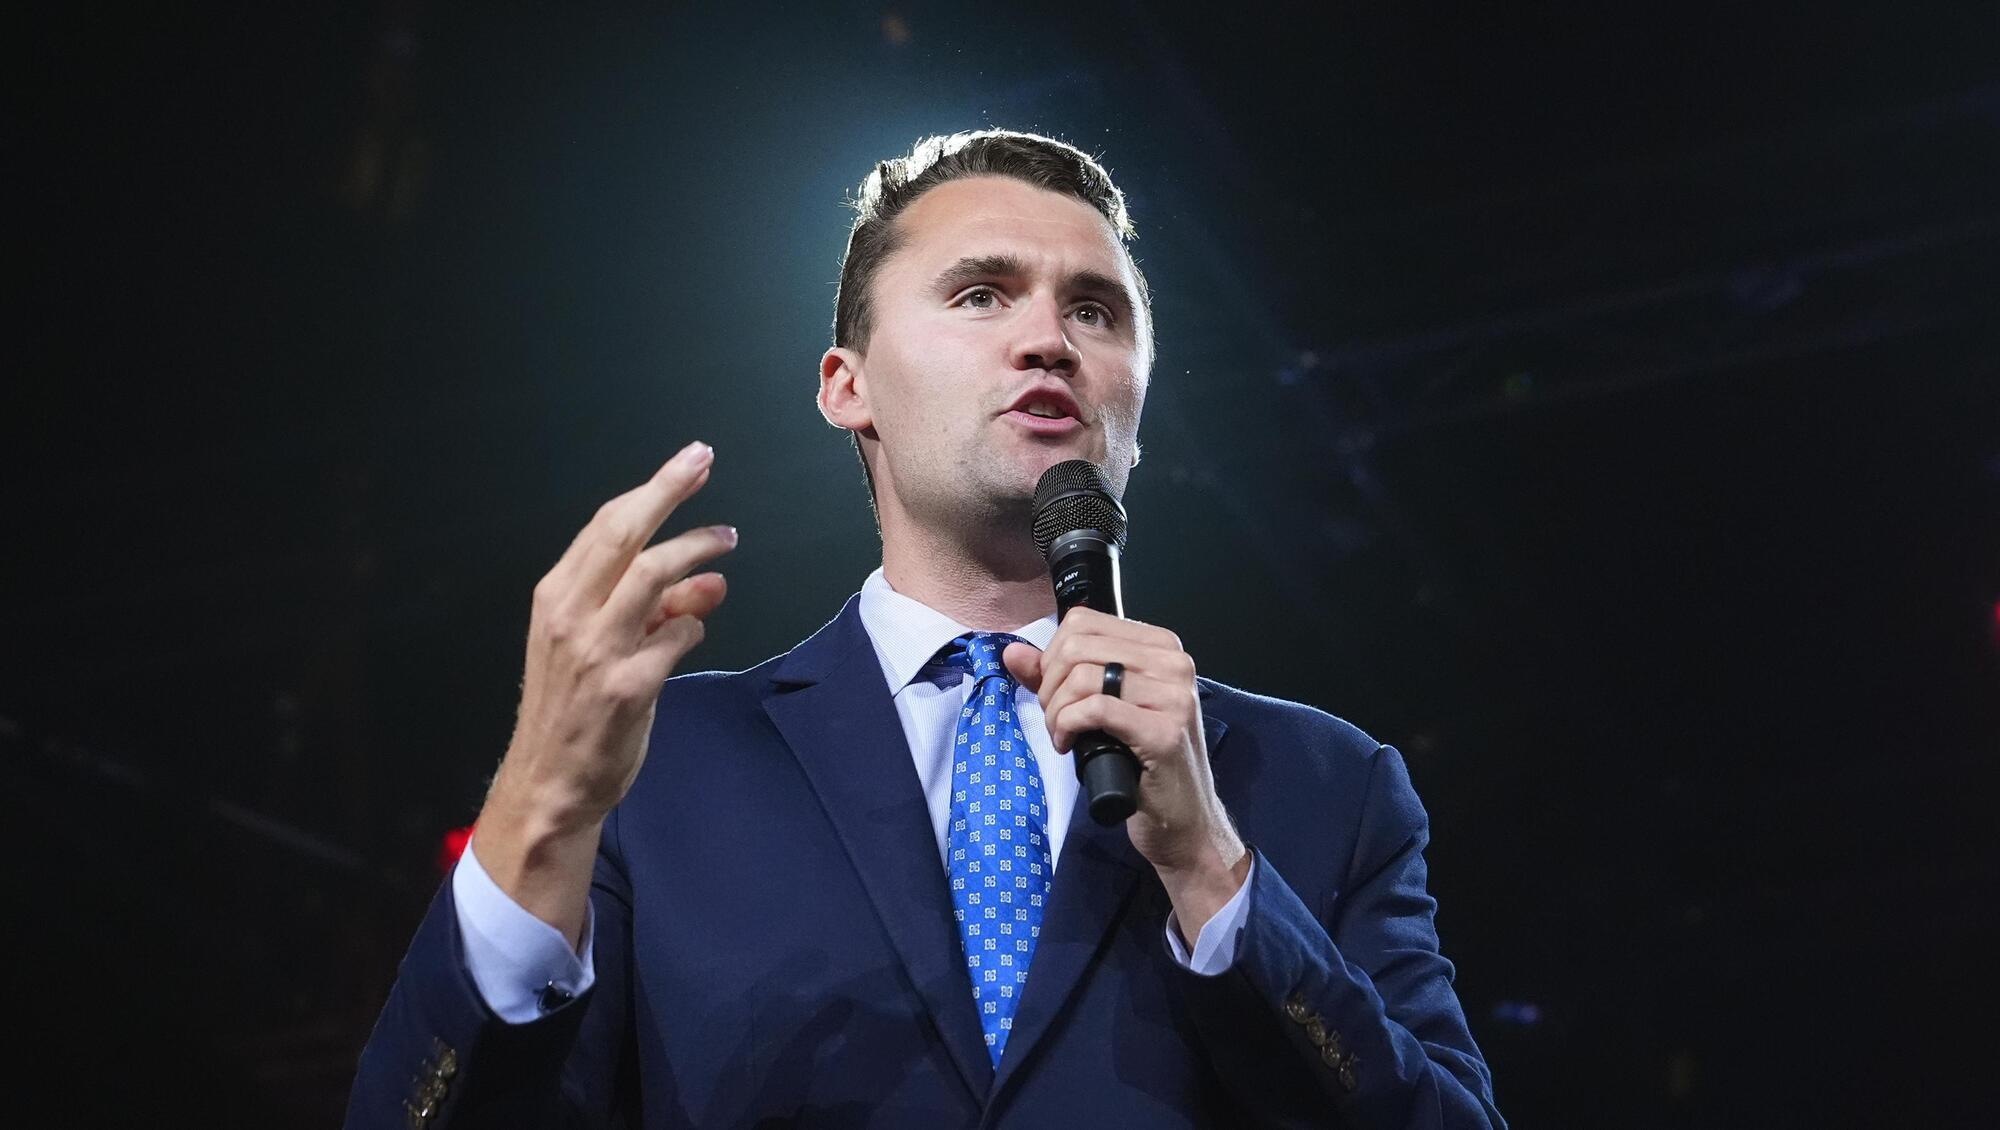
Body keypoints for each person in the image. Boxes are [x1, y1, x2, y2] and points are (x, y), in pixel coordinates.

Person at [346, 129, 1504, 1129]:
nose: (1048, 339)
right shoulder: (655, 767)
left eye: (1092, 309)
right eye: (980, 293)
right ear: (846, 386)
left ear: (1136, 408)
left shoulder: (1323, 784)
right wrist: (538, 811)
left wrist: (1210, 868)